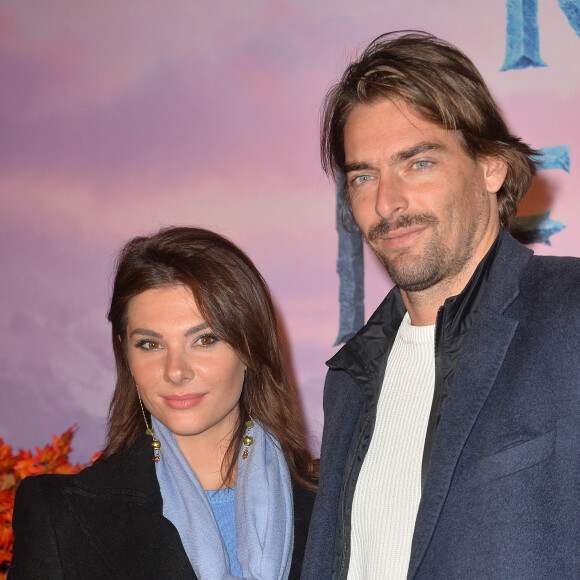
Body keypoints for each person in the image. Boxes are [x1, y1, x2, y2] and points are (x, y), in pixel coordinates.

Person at [302, 31, 580, 579]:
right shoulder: (351, 376)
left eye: (418, 163)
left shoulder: (570, 316)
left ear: (491, 166)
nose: (387, 202)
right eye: (364, 176)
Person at [10, 226, 317, 579]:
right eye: (150, 345)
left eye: (204, 339)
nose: (175, 371)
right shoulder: (59, 515)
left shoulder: (337, 503)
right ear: (125, 353)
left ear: (249, 348)